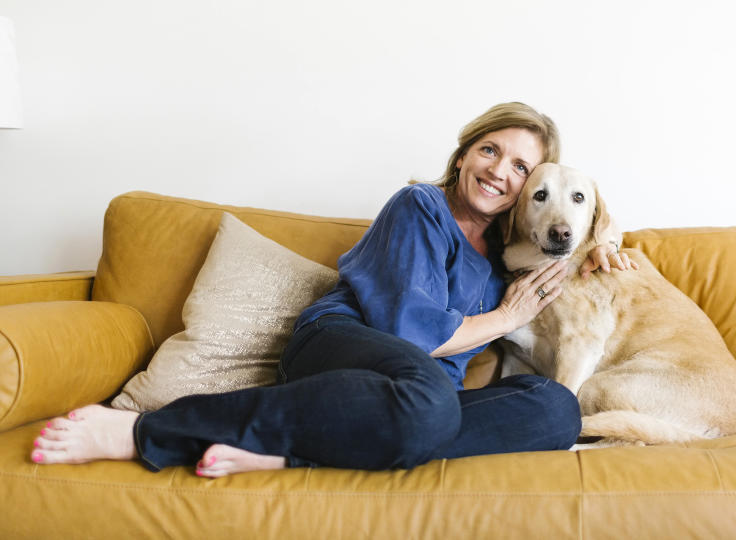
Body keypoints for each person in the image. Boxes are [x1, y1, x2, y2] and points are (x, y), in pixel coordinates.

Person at [31, 102, 633, 477]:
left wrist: (601, 243)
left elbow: (582, 220)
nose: (501, 170)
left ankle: (291, 451)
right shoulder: (420, 206)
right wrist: (504, 319)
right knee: (427, 399)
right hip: (341, 346)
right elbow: (411, 334)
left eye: (521, 168)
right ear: (463, 156)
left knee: (555, 410)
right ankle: (148, 430)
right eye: (490, 150)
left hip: (412, 401)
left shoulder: (508, 254)